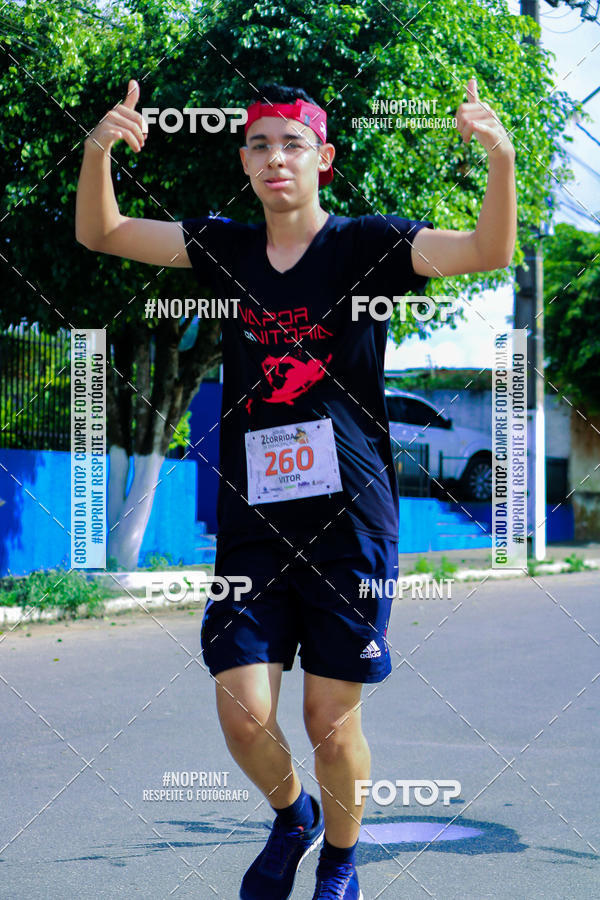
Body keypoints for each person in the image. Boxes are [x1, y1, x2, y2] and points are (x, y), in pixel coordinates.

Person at [76, 76, 516, 899]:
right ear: (244, 161)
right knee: (242, 710)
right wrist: (100, 148)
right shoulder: (227, 249)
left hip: (352, 521)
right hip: (255, 522)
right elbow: (101, 231)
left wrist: (502, 160)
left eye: (292, 144)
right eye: (258, 145)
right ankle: (293, 816)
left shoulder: (367, 247)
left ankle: (342, 861)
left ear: (324, 159)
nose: (275, 158)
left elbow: (487, 252)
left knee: (328, 718)